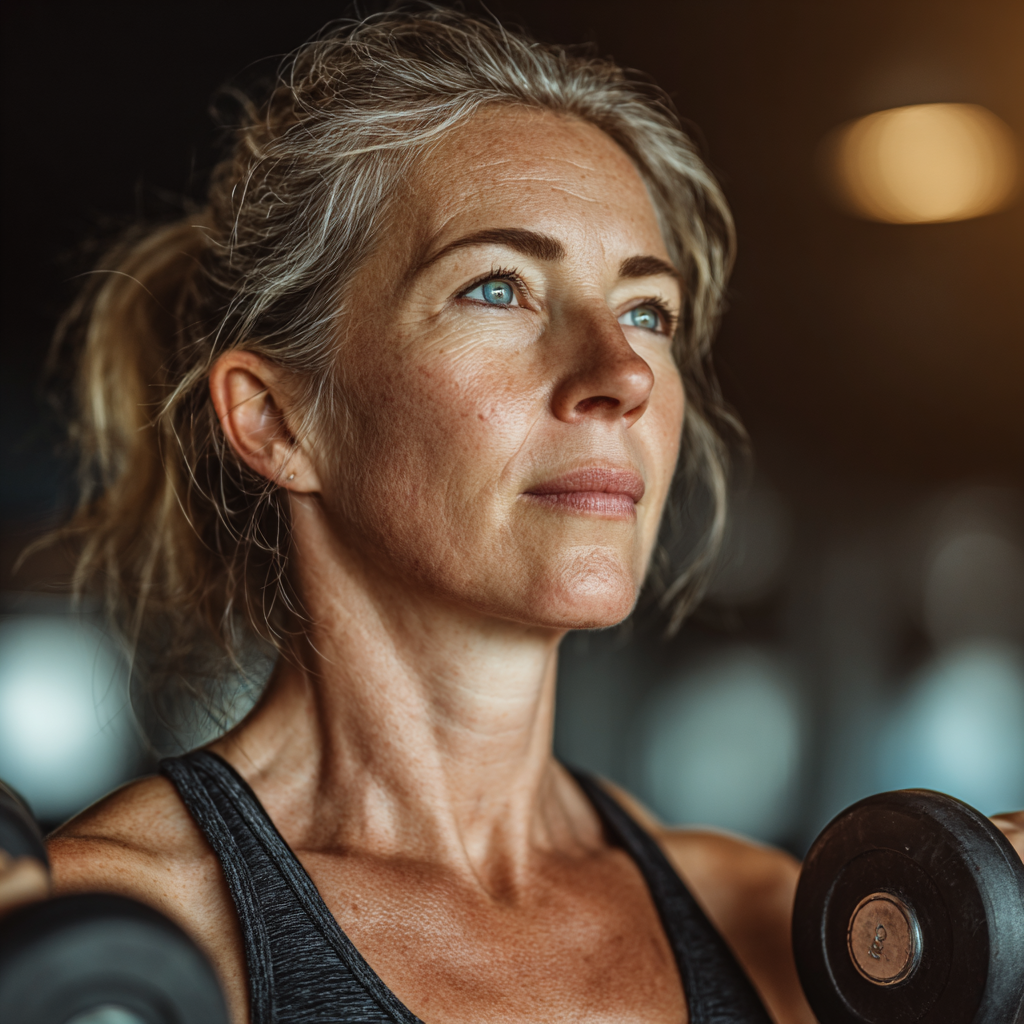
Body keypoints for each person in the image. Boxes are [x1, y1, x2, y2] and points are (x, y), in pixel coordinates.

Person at [8, 7, 1016, 1023]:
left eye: (646, 311)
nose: (620, 373)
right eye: (498, 287)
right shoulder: (118, 942)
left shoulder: (774, 929)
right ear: (277, 420)